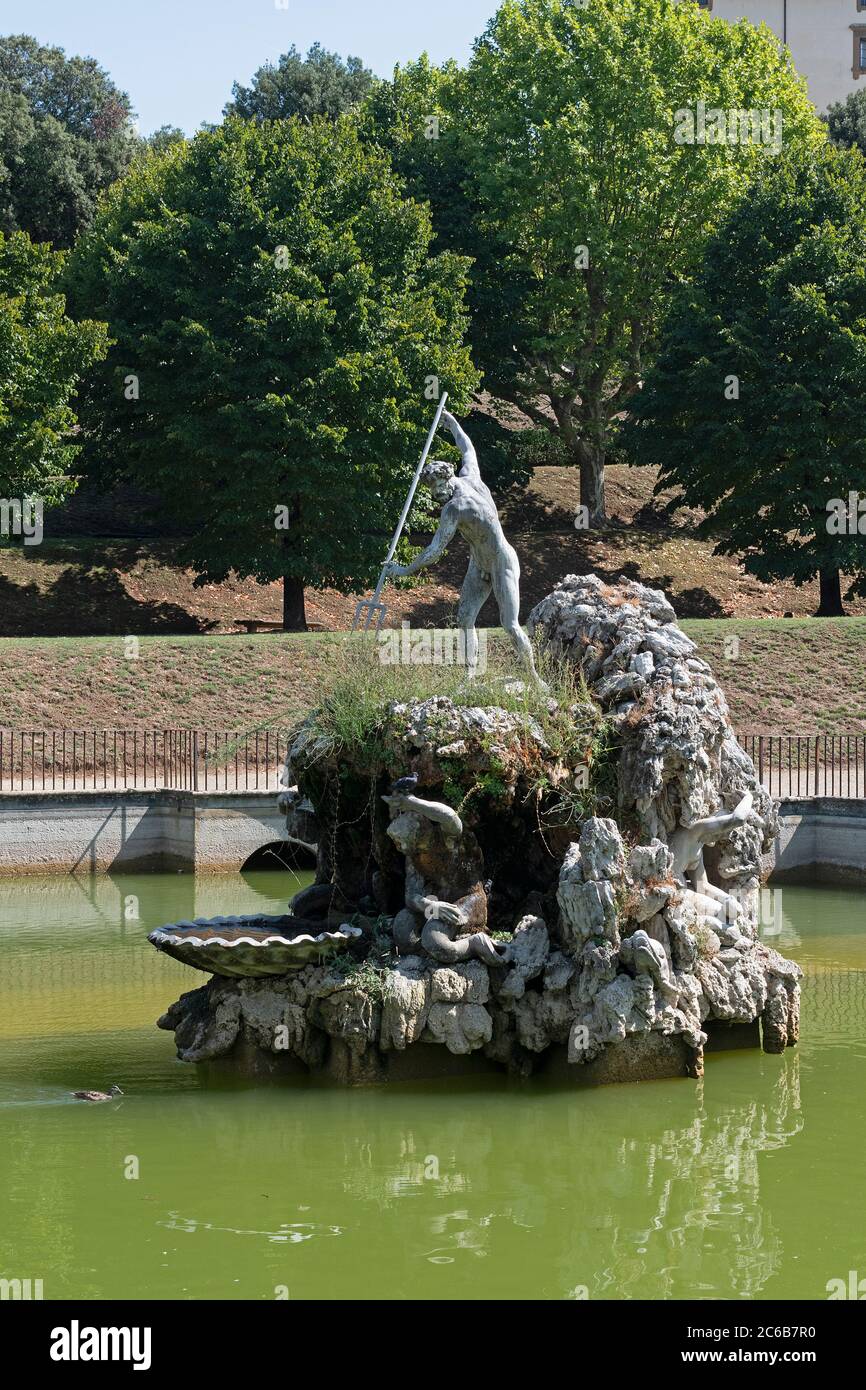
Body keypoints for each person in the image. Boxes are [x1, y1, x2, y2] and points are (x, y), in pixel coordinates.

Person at [383, 409, 544, 686]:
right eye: (432, 491)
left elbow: (434, 551)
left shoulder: (454, 509)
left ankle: (535, 680)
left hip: (501, 561)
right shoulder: (470, 475)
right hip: (478, 564)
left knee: (511, 625)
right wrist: (452, 422)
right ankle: (469, 678)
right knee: (465, 619)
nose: (436, 496)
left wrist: (403, 570)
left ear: (446, 480)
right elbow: (466, 445)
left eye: (437, 490)